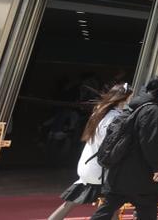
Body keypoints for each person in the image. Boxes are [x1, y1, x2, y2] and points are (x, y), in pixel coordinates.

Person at [90, 74, 158, 220]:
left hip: (121, 171)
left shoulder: (135, 106)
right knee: (147, 212)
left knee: (106, 210)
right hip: (141, 175)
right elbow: (150, 141)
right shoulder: (153, 110)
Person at [50, 84, 132, 220]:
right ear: (124, 98)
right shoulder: (114, 117)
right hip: (100, 169)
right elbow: (109, 143)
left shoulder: (100, 112)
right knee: (112, 204)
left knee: (71, 203)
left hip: (90, 165)